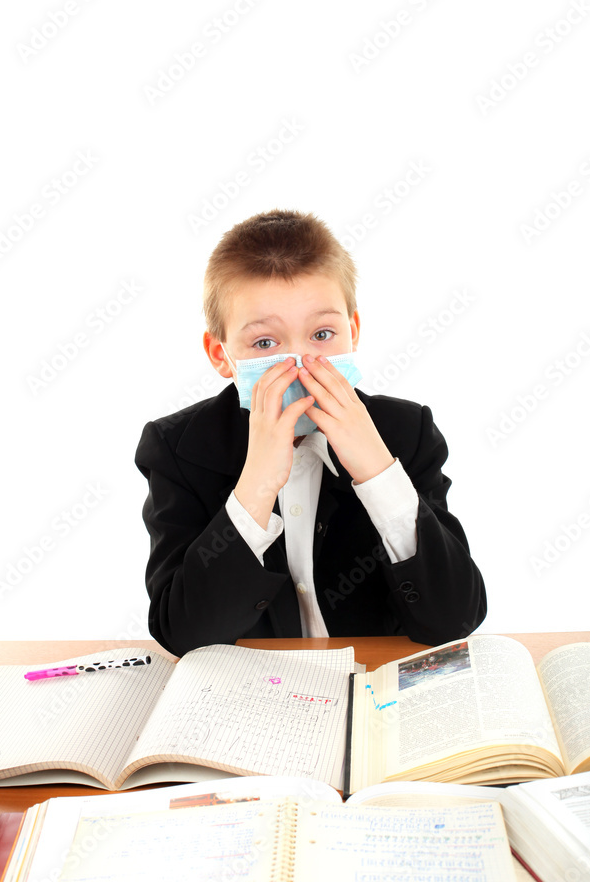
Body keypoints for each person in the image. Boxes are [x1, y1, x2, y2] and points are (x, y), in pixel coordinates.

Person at [135, 209, 486, 656]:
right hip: (256, 701)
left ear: (352, 332)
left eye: (322, 333)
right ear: (221, 354)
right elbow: (186, 635)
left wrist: (379, 473)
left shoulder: (405, 432)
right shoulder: (179, 449)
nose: (299, 364)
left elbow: (454, 620)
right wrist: (257, 485)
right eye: (265, 343)